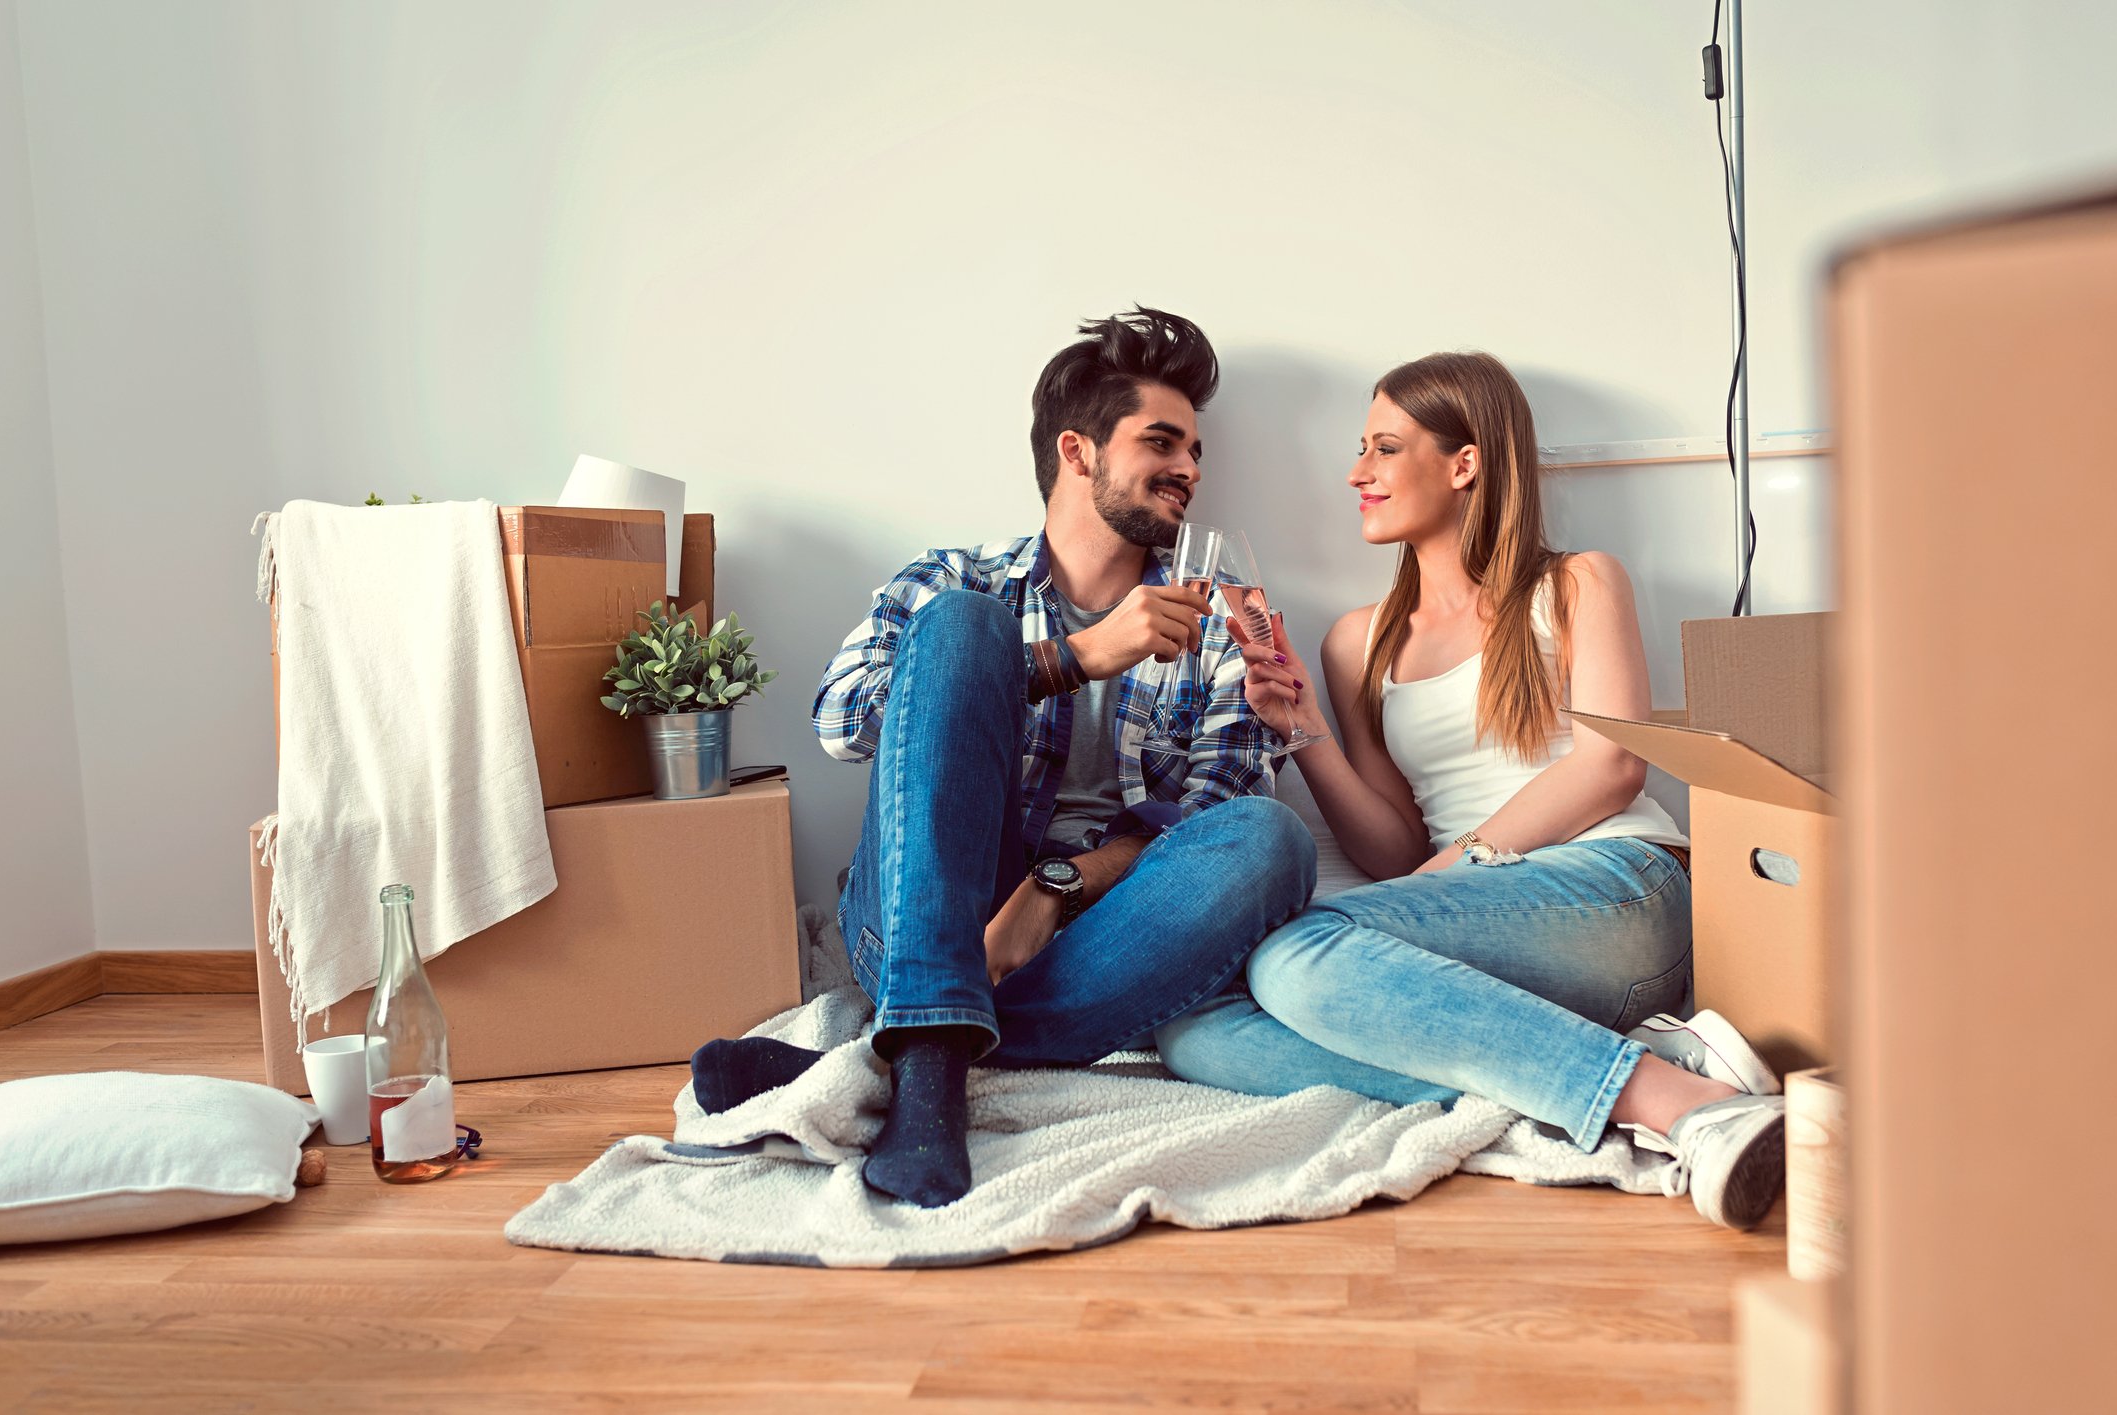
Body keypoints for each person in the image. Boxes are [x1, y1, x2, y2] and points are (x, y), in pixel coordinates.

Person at [688, 307, 1315, 1207]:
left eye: (1197, 451)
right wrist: (1071, 658)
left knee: (1271, 838)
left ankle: (893, 1060)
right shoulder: (957, 580)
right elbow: (842, 722)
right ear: (1078, 451)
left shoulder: (1217, 621)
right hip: (919, 913)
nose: (1189, 468)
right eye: (1162, 441)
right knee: (958, 633)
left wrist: (1050, 889)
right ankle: (934, 1050)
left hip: (1078, 934)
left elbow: (1208, 818)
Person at [1154, 351, 1788, 1230]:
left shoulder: (1575, 582)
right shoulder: (1357, 642)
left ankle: (1680, 1108)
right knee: (1196, 1028)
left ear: (1464, 463)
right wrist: (1299, 727)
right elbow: (1392, 848)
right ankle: (1625, 1075)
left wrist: (1455, 869)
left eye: (1382, 447)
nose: (1355, 473)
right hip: (1487, 933)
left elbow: (1612, 765)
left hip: (1616, 887)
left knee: (1295, 956)